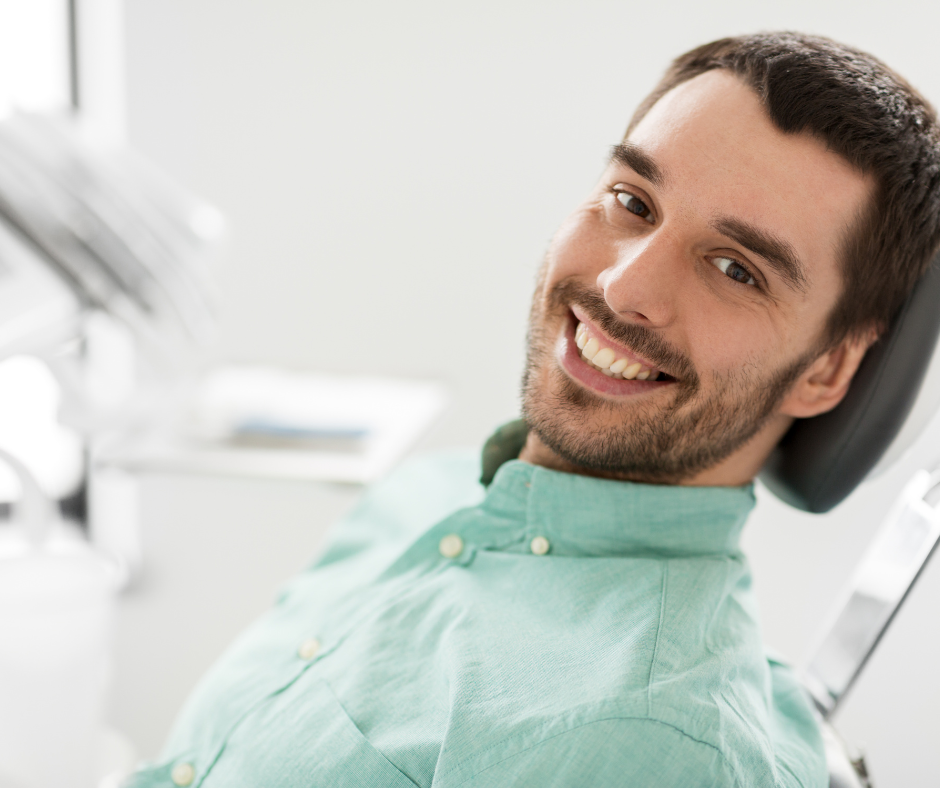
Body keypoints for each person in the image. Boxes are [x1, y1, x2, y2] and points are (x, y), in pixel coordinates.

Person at [126, 32, 940, 788]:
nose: (624, 287)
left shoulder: (655, 741)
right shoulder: (430, 496)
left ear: (828, 369)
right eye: (633, 201)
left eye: (734, 269)